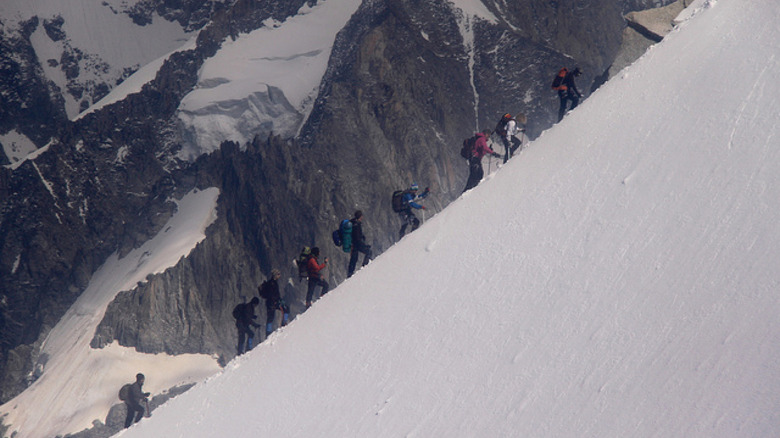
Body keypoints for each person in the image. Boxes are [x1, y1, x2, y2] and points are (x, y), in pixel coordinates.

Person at [261, 269, 289, 338]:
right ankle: (284, 323)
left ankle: (268, 333)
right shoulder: (273, 283)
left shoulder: (271, 283)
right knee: (286, 309)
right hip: (273, 302)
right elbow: (273, 294)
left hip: (270, 303)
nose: (279, 276)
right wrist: (277, 300)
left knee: (270, 317)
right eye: (278, 274)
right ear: (275, 275)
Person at [347, 210, 372, 278]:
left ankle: (349, 274)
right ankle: (364, 267)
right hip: (356, 244)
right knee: (369, 251)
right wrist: (363, 243)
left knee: (354, 260)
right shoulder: (356, 225)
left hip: (353, 245)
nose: (362, 217)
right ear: (359, 216)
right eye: (361, 216)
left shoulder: (353, 223)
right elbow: (357, 237)